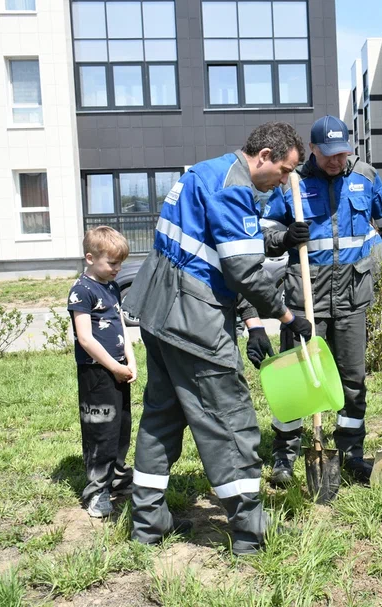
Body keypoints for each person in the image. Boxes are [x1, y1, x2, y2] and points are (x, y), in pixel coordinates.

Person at [123, 122, 314, 556]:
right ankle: (251, 528)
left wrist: (278, 238)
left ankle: (148, 522)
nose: (284, 182)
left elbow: (222, 237)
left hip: (158, 309)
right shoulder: (234, 187)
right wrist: (287, 316)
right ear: (264, 155)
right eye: (284, 171)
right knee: (231, 419)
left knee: (162, 415)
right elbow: (242, 270)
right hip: (194, 319)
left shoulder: (205, 173)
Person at [258, 115, 382, 486]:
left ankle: (351, 451)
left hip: (353, 296)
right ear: (312, 149)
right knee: (299, 376)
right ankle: (285, 455)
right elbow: (264, 233)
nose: (336, 162)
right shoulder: (291, 181)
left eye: (342, 154)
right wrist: (287, 237)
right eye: (328, 156)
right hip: (305, 297)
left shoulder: (366, 177)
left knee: (353, 379)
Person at [67, 226, 136, 518]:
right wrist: (114, 366)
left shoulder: (112, 286)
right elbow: (85, 338)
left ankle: (117, 477)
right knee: (101, 430)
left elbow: (121, 325)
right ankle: (97, 491)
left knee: (121, 427)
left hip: (119, 370)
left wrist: (130, 361)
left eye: (120, 263)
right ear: (90, 258)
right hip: (97, 374)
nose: (117, 269)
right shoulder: (81, 291)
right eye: (112, 263)